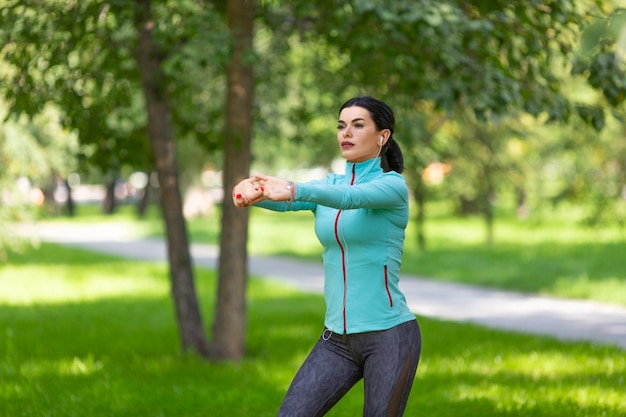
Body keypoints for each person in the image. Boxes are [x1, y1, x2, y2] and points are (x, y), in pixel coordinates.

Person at [232, 96, 421, 417]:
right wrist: (250, 191)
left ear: (382, 136)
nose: (346, 133)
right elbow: (291, 197)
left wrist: (295, 188)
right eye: (341, 126)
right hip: (337, 341)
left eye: (358, 125)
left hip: (389, 337)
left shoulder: (391, 187)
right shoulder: (327, 185)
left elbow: (350, 197)